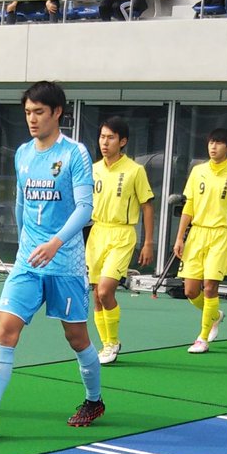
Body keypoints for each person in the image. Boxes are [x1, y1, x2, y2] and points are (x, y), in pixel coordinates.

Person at [0, 81, 102, 439]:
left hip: (65, 263)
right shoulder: (22, 153)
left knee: (77, 338)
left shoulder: (75, 154)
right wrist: (25, 245)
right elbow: (21, 203)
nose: (32, 119)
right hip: (28, 263)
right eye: (27, 113)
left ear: (57, 113)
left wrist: (55, 243)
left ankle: (94, 400)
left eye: (39, 112)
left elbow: (85, 208)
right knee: (5, 330)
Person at [172, 128, 227, 353]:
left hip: (221, 234)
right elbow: (189, 205)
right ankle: (215, 315)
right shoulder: (198, 171)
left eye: (219, 143)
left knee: (210, 286)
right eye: (211, 143)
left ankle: (202, 338)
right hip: (197, 234)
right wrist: (179, 237)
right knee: (190, 290)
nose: (213, 147)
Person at [86, 116, 154, 364]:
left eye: (111, 137)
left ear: (122, 141)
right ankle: (106, 345)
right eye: (102, 136)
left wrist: (148, 243)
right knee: (96, 294)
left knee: (105, 291)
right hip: (97, 233)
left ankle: (112, 343)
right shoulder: (92, 169)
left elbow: (147, 206)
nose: (105, 142)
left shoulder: (135, 170)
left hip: (123, 234)